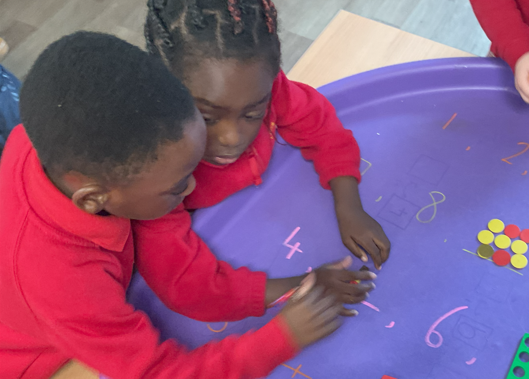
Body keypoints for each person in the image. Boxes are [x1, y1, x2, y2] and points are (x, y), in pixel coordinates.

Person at [0, 31, 353, 379]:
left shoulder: (61, 142)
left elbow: (186, 277)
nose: (192, 188)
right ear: (93, 199)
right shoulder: (65, 285)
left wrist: (295, 286)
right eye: (176, 187)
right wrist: (284, 335)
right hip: (37, 359)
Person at [136, 0, 390, 334]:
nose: (232, 138)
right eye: (207, 117)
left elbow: (320, 126)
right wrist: (304, 286)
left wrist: (349, 204)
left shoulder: (260, 87)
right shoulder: (148, 172)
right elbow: (185, 285)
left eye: (253, 113)